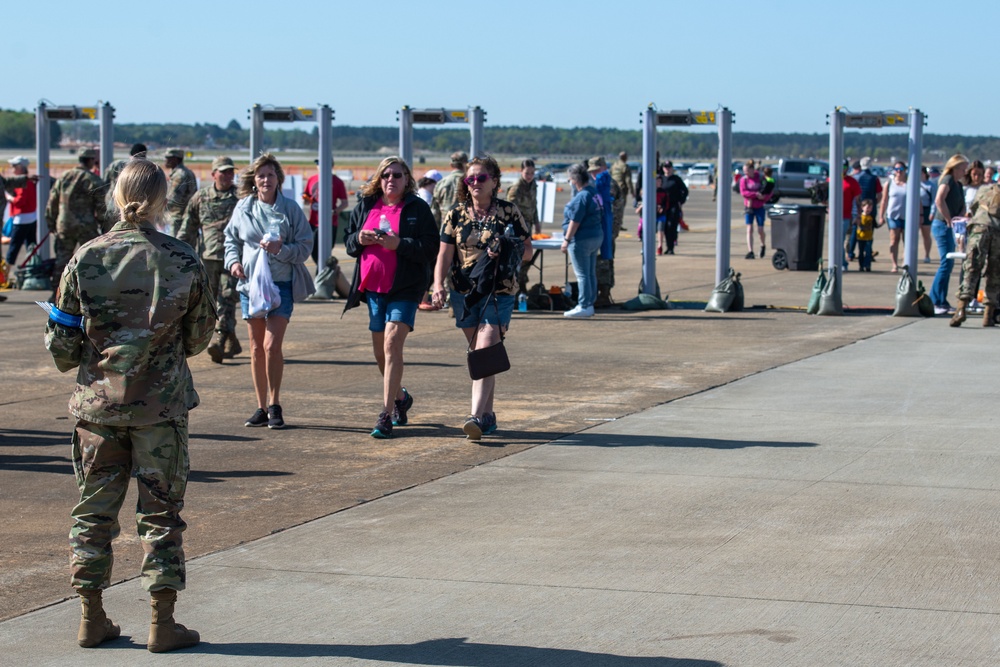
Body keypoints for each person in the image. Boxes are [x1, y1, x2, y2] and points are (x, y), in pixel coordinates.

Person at [44, 157, 216, 653]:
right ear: (164, 200)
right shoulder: (182, 258)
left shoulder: (87, 257)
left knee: (93, 513)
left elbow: (61, 349)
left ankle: (91, 617)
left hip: (98, 411)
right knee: (161, 514)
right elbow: (200, 337)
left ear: (116, 197)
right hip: (160, 410)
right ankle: (162, 624)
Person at [430, 155, 532, 441]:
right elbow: (444, 254)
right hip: (465, 293)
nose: (475, 182)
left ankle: (475, 415)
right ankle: (487, 416)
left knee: (486, 349)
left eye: (481, 177)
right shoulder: (456, 214)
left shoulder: (509, 212)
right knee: (481, 355)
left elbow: (528, 250)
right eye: (470, 178)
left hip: (499, 292)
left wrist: (508, 246)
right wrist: (437, 285)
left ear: (494, 182)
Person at [342, 157, 439, 439]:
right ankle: (401, 397)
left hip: (405, 289)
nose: (391, 180)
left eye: (397, 175)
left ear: (407, 179)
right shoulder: (366, 205)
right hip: (374, 289)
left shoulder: (417, 208)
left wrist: (400, 244)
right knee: (380, 353)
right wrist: (359, 238)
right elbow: (349, 241)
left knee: (392, 343)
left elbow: (430, 247)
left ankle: (385, 414)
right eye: (386, 175)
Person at [224, 153, 315, 429]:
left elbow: (305, 246)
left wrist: (282, 250)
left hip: (281, 284)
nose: (265, 180)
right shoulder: (243, 207)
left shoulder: (290, 209)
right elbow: (230, 239)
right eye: (261, 175)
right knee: (255, 349)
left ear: (279, 180)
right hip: (251, 286)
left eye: (270, 175)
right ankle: (261, 407)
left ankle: (275, 404)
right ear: (254, 180)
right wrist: (234, 262)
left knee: (271, 345)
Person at [179, 156, 243, 363]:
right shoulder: (201, 197)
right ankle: (231, 338)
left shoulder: (241, 197)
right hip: (208, 257)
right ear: (213, 174)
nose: (227, 176)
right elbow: (188, 227)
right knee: (209, 302)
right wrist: (175, 251)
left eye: (230, 172)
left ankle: (219, 339)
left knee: (227, 298)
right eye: (222, 172)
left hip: (233, 259)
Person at [46, 147, 107, 299]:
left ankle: (57, 293)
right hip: (85, 226)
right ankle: (92, 291)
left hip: (64, 224)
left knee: (62, 259)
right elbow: (101, 206)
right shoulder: (92, 179)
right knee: (91, 259)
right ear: (92, 160)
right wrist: (104, 225)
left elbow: (52, 201)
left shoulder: (64, 177)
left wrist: (51, 222)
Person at [952, 185, 1000, 327]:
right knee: (995, 273)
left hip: (979, 228)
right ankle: (988, 316)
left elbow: (973, 209)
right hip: (998, 232)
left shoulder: (985, 189)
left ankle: (961, 309)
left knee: (971, 268)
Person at [560, 162, 604, 318]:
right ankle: (589, 303)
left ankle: (584, 305)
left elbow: (575, 221)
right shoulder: (594, 193)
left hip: (582, 239)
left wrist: (566, 240)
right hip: (596, 236)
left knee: (582, 275)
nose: (570, 183)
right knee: (590, 273)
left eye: (570, 180)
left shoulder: (582, 196)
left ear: (575, 179)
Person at [931, 154, 969, 315]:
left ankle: (942, 300)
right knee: (945, 263)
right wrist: (948, 219)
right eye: (962, 168)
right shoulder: (947, 180)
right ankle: (935, 300)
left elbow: (962, 206)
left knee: (949, 264)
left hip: (952, 226)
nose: (964, 172)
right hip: (942, 225)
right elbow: (939, 200)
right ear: (954, 167)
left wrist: (959, 218)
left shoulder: (958, 185)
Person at [303, 157, 350, 265]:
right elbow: (307, 199)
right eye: (317, 163)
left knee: (324, 252)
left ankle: (324, 274)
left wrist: (335, 211)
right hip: (313, 222)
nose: (319, 166)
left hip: (329, 223)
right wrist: (306, 199)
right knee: (313, 251)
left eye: (321, 163)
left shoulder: (337, 182)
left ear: (330, 165)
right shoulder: (312, 179)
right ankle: (324, 272)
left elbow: (344, 203)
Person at [4, 156, 37, 268]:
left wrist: (8, 197)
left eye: (13, 166)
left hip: (22, 218)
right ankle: (33, 267)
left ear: (20, 167)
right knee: (31, 245)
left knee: (14, 246)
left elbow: (20, 201)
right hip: (31, 217)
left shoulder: (23, 182)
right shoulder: (29, 181)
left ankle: (5, 272)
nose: (11, 168)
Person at [103, 143, 147, 225]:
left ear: (131, 154)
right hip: (133, 210)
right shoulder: (144, 169)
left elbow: (104, 184)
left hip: (112, 206)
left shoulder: (116, 165)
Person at [878, 161, 909, 272]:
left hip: (907, 216)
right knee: (894, 240)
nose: (899, 172)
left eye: (901, 169)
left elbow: (917, 200)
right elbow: (884, 200)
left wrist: (920, 215)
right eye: (896, 169)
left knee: (907, 241)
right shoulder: (889, 183)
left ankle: (906, 262)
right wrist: (881, 216)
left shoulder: (909, 183)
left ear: (905, 170)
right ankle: (894, 264)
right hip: (893, 215)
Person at [853, 157, 883, 261]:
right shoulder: (874, 178)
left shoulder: (856, 177)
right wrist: (873, 204)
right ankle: (868, 255)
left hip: (858, 207)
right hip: (871, 207)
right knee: (869, 233)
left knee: (855, 231)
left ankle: (851, 253)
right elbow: (879, 195)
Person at [163, 148, 197, 237]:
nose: (165, 160)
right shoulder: (185, 172)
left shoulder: (180, 174)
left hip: (178, 217)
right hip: (185, 217)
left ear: (176, 159)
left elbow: (172, 198)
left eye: (168, 157)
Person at [739, 160, 768, 259]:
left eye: (747, 171)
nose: (746, 173)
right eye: (744, 171)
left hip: (759, 206)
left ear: (752, 170)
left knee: (760, 229)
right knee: (749, 228)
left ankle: (763, 245)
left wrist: (763, 198)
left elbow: (768, 190)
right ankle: (750, 251)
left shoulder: (760, 177)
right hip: (749, 207)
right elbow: (744, 193)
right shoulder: (744, 180)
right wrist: (755, 194)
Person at [430, 151, 468, 225]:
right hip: (465, 228)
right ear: (466, 164)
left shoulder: (441, 183)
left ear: (451, 165)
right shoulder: (471, 182)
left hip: (446, 228)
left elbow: (434, 211)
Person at [659, 160, 688, 255]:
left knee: (672, 225)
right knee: (665, 227)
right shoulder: (661, 179)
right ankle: (667, 247)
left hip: (673, 206)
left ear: (672, 168)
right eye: (665, 167)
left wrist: (681, 201)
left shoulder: (676, 179)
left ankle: (671, 247)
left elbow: (685, 191)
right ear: (663, 168)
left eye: (669, 167)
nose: (667, 169)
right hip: (663, 207)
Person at [506, 159, 541, 236]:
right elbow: (511, 208)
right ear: (521, 171)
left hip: (529, 223)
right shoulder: (516, 187)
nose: (529, 176)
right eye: (527, 173)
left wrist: (536, 222)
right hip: (518, 225)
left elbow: (533, 204)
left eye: (532, 173)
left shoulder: (533, 185)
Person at [855, 199, 877, 272]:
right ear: (862, 207)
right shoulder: (860, 217)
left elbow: (875, 225)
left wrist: (881, 223)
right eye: (867, 207)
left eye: (870, 208)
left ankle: (867, 266)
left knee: (868, 253)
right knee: (861, 252)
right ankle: (861, 266)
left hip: (869, 237)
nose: (869, 209)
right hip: (861, 237)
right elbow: (857, 224)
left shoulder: (871, 217)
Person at [920, 166, 934, 263]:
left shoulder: (930, 185)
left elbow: (934, 200)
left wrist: (932, 212)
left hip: (926, 210)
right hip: (915, 210)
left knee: (926, 234)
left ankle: (927, 255)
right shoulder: (912, 184)